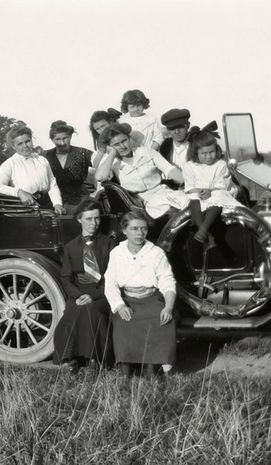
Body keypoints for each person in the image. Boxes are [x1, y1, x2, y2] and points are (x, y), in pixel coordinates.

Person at [104, 212, 177, 376]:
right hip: (128, 299)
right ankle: (126, 368)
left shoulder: (155, 252)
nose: (140, 233)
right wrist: (120, 305)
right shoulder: (117, 252)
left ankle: (153, 366)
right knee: (123, 322)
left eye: (143, 229)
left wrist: (168, 306)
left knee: (161, 319)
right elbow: (110, 283)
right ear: (124, 230)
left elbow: (167, 280)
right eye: (134, 229)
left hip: (151, 298)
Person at [52, 199, 116, 373]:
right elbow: (66, 278)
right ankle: (70, 359)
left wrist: (94, 295)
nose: (93, 223)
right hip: (79, 292)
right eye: (88, 219)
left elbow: (113, 276)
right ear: (79, 219)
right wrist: (78, 295)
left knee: (93, 310)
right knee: (72, 313)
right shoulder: (71, 247)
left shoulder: (108, 244)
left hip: (103, 292)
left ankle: (94, 358)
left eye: (96, 219)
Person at [94, 123, 188, 219]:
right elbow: (99, 177)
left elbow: (170, 170)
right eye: (116, 144)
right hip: (142, 202)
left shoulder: (146, 152)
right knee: (169, 213)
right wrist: (112, 154)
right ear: (110, 147)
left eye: (124, 141)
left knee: (191, 203)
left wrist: (190, 183)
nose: (122, 146)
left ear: (129, 138)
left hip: (164, 192)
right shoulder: (112, 163)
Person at [182, 122, 242, 244]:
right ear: (196, 153)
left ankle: (203, 229)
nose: (209, 156)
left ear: (216, 150)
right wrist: (199, 191)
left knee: (218, 197)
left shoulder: (220, 164)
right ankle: (203, 231)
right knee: (193, 198)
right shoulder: (189, 166)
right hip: (197, 193)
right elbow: (190, 185)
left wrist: (210, 191)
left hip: (216, 192)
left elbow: (222, 184)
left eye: (212, 152)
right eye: (204, 153)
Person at [0, 125, 67, 214]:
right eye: (20, 144)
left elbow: (52, 185)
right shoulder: (9, 164)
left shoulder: (42, 160)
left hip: (47, 205)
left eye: (27, 141)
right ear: (13, 146)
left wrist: (57, 204)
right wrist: (19, 192)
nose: (25, 146)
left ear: (31, 140)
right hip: (25, 209)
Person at [42, 120, 93, 212]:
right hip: (52, 203)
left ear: (70, 136)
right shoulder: (45, 156)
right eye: (57, 139)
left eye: (65, 138)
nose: (62, 143)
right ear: (52, 140)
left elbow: (100, 165)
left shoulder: (83, 153)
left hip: (80, 202)